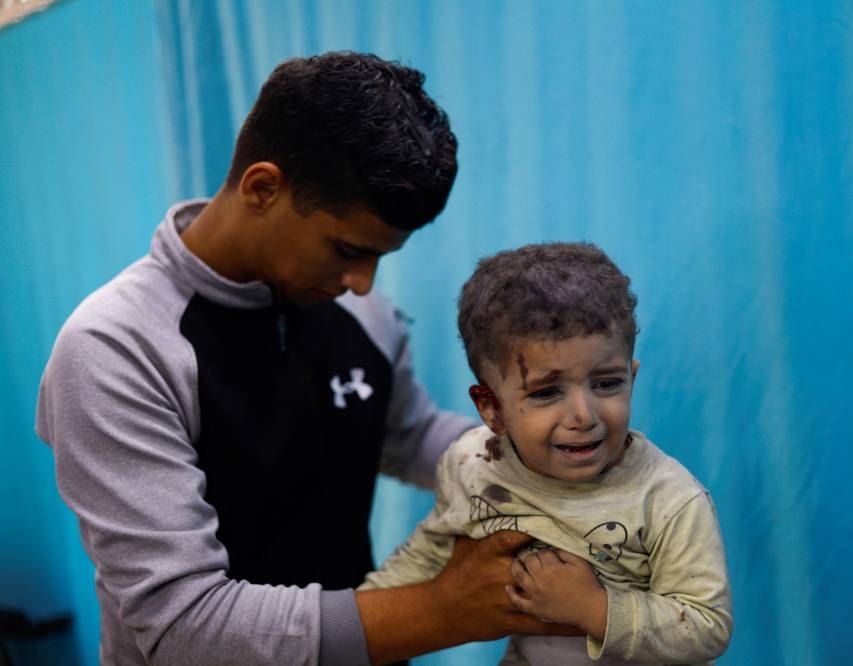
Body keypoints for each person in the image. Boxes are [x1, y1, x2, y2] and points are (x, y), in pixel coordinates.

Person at [35, 51, 576, 665]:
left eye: (379, 257)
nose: (365, 283)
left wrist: (537, 455)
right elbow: (185, 626)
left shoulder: (358, 310)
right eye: (346, 249)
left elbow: (405, 433)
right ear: (262, 187)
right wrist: (442, 609)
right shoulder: (115, 351)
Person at [361, 243, 734, 664]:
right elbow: (432, 552)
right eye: (546, 392)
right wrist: (356, 626)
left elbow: (706, 625)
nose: (583, 414)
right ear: (491, 409)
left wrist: (593, 607)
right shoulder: (475, 464)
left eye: (607, 384)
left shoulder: (669, 499)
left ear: (632, 376)